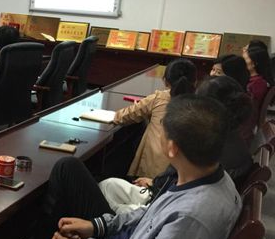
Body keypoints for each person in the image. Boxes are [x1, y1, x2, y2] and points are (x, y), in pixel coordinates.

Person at [0, 95, 241, 239]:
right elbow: (148, 215)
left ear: (172, 148)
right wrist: (96, 226)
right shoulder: (204, 174)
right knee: (68, 167)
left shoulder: (192, 217)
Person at [101, 75, 253, 214]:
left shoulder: (206, 146)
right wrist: (155, 183)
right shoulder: (231, 141)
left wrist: (156, 186)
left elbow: (177, 199)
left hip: (159, 208)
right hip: (163, 197)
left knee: (101, 194)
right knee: (108, 185)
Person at [112, 58, 197, 178]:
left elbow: (123, 116)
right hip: (184, 172)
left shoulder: (159, 98)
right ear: (195, 82)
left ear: (165, 81)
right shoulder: (200, 105)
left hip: (153, 168)